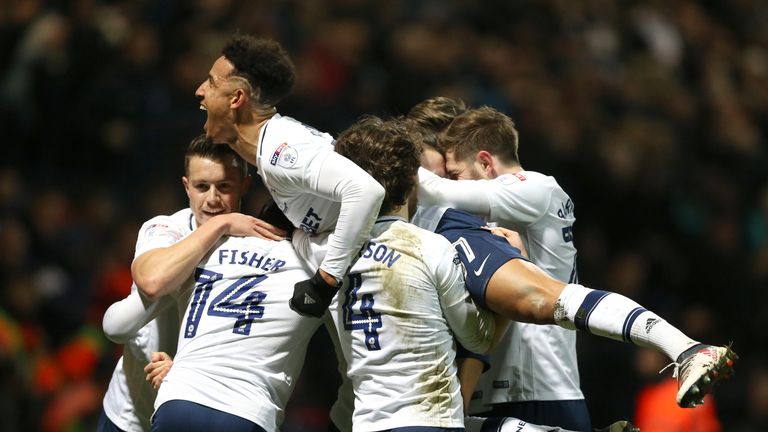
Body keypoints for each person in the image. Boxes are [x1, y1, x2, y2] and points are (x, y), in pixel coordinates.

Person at [415, 106, 737, 414]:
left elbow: (438, 192)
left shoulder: (533, 187)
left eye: (455, 174)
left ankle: (686, 348)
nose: (453, 183)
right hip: (516, 379)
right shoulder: (510, 207)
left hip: (537, 379)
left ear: (486, 163)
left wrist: (385, 157)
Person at [293, 116, 506, 432]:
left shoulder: (317, 251)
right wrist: (518, 269)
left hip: (364, 422)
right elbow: (480, 338)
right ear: (412, 179)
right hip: (428, 420)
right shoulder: (429, 247)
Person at [103, 137, 322, 432]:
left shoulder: (250, 246)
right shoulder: (167, 228)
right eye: (202, 187)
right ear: (186, 187)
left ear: (244, 185)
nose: (213, 199)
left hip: (182, 395)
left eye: (225, 187)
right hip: (131, 410)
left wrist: (181, 370)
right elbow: (151, 284)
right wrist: (222, 224)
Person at [194, 33, 385, 318]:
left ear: (236, 98)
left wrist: (325, 282)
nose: (200, 91)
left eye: (211, 82)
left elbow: (366, 191)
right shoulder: (273, 146)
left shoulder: (281, 153)